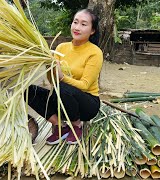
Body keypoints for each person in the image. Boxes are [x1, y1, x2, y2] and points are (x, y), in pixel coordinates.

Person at [27, 9, 103, 145]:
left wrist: (62, 78)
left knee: (62, 88)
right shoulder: (61, 47)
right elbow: (52, 82)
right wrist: (49, 67)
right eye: (75, 22)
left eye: (83, 24)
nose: (77, 27)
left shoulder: (95, 52)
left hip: (86, 105)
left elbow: (85, 85)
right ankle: (60, 127)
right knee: (28, 91)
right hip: (62, 98)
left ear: (92, 31)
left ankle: (76, 125)